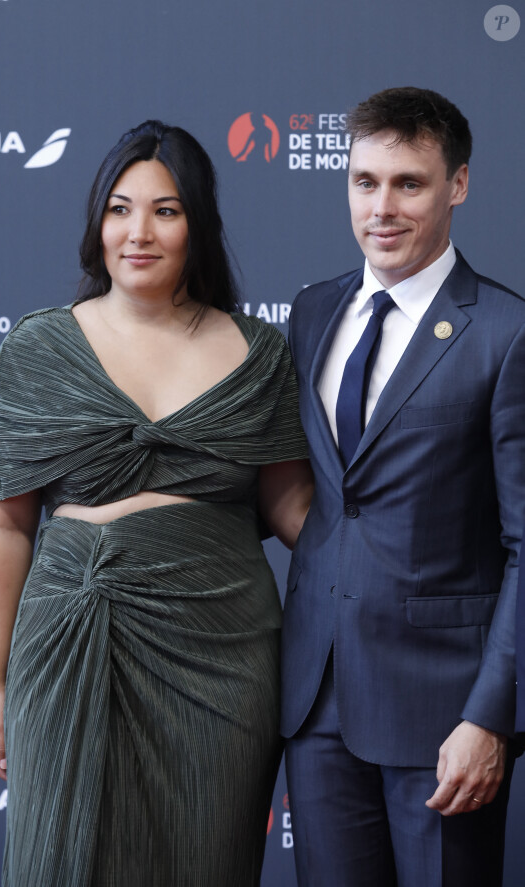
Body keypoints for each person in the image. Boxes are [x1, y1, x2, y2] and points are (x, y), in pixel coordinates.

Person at [0, 120, 312, 887]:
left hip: (221, 653)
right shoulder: (35, 348)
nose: (139, 231)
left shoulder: (259, 355)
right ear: (97, 221)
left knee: (205, 856)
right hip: (67, 640)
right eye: (120, 208)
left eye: (166, 210)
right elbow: (3, 524)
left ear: (198, 222)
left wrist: (404, 544)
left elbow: (293, 505)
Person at [281, 87, 525, 887]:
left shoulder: (505, 332)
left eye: (408, 184)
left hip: (443, 719)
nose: (381, 207)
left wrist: (490, 714)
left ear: (458, 184)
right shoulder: (313, 312)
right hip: (316, 703)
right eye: (364, 182)